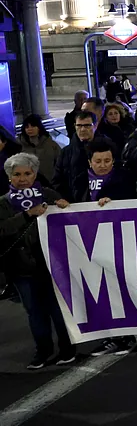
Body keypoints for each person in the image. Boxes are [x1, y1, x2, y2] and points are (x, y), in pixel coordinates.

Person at [0, 153, 74, 369]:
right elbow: (2, 230)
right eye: (17, 174)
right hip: (21, 269)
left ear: (35, 174)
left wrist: (65, 207)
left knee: (58, 310)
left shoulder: (49, 194)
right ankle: (43, 351)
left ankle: (67, 349)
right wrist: (27, 215)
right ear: (9, 177)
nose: (22, 179)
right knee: (35, 312)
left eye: (27, 173)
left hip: (52, 266)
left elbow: (69, 224)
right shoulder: (3, 204)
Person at [52, 110, 98, 203]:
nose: (83, 129)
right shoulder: (65, 152)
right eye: (79, 126)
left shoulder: (106, 148)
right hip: (72, 205)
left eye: (87, 125)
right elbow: (57, 181)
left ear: (95, 125)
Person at [18, 115, 60, 185]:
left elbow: (60, 162)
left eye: (33, 126)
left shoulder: (50, 144)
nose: (30, 129)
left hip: (51, 183)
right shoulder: (19, 146)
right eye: (27, 127)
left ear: (39, 127)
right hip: (27, 184)